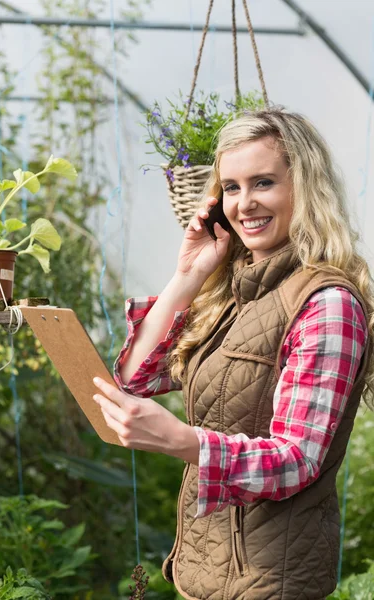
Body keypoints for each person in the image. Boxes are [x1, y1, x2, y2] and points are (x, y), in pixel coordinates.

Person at [92, 107, 374, 600]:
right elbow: (137, 378)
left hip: (273, 580)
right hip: (206, 572)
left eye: (263, 182)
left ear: (304, 189)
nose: (244, 204)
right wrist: (188, 275)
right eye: (232, 187)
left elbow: (296, 460)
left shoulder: (327, 304)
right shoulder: (234, 293)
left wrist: (184, 441)